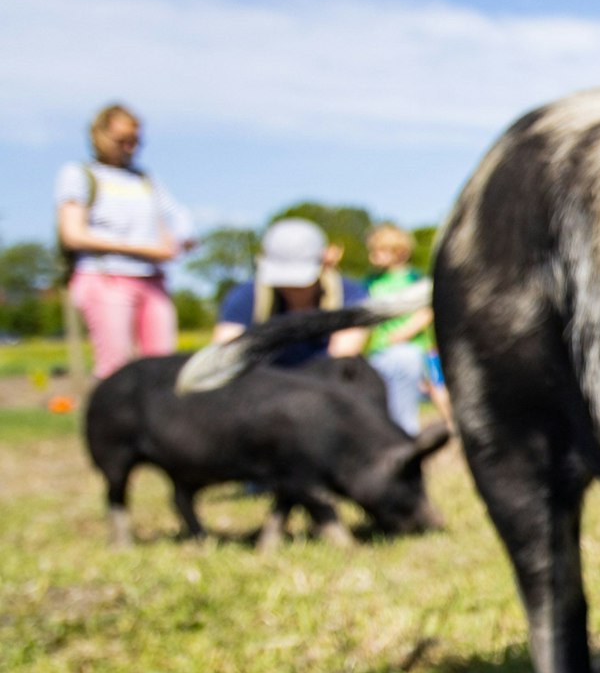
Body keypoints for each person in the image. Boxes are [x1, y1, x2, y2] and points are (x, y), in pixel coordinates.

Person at [55, 103, 198, 379]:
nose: (130, 147)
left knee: (162, 367)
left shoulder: (143, 179)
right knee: (116, 368)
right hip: (106, 277)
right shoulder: (80, 174)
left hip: (151, 279)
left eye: (135, 141)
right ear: (100, 135)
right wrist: (145, 249)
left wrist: (182, 238)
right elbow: (73, 234)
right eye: (122, 140)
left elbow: (174, 216)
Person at [214, 218, 369, 366]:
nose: (291, 288)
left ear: (324, 262)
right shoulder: (246, 296)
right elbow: (224, 358)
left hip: (324, 381)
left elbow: (341, 361)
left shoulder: (349, 296)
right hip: (262, 381)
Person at [362, 224, 449, 434]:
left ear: (400, 252)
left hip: (418, 347)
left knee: (436, 388)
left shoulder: (414, 279)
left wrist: (403, 333)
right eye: (372, 251)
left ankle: (452, 426)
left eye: (380, 251)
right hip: (381, 348)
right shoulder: (369, 282)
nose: (373, 256)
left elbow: (427, 311)